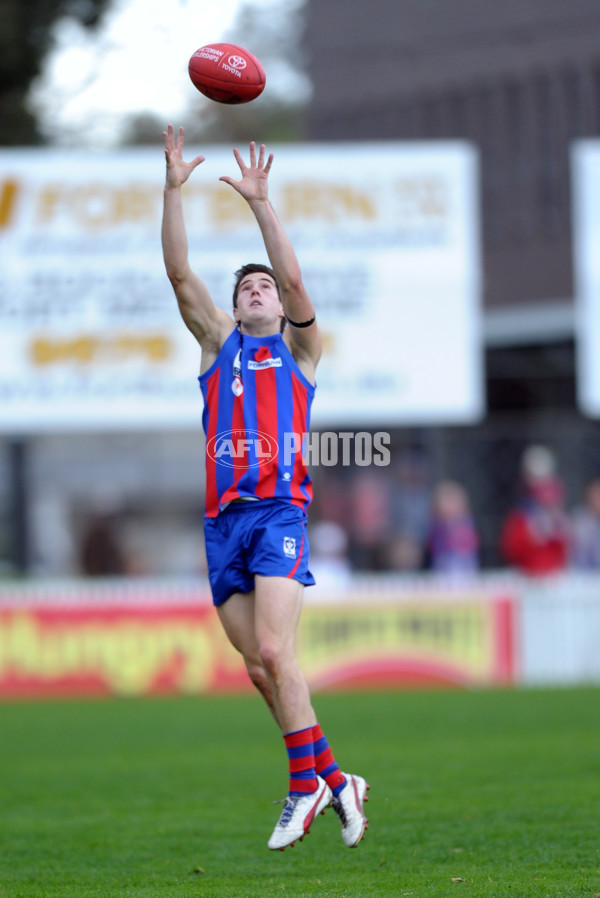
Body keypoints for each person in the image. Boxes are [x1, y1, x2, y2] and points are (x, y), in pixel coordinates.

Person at [161, 125, 368, 851]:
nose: (258, 290)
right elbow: (180, 274)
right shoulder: (220, 348)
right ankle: (337, 778)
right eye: (246, 286)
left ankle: (303, 786)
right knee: (257, 667)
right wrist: (173, 189)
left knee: (278, 654)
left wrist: (260, 204)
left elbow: (299, 282)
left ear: (280, 306)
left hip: (279, 512)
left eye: (266, 287)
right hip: (223, 526)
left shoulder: (299, 350)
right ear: (235, 306)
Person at [500, 445, 570, 576]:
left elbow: (565, 549)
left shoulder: (558, 516)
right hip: (527, 576)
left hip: (554, 577)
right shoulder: (521, 515)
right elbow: (512, 549)